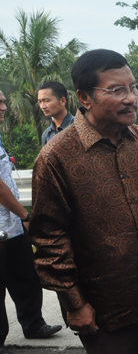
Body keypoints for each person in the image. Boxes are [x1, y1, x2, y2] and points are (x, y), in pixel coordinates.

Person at [30, 49, 138, 353]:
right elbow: (49, 238)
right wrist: (74, 303)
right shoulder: (56, 157)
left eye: (134, 87)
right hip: (105, 311)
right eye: (116, 90)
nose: (131, 98)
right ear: (85, 98)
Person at [0, 90, 62, 354]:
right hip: (5, 226)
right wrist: (26, 215)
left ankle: (33, 325)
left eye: (4, 100)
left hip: (10, 226)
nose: (4, 106)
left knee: (26, 275)